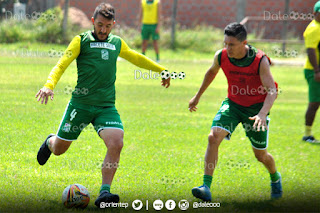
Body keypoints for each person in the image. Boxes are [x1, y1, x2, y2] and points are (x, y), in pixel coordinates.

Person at [35, 3, 170, 208]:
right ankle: (50, 142)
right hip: (80, 105)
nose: (103, 30)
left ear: (113, 25)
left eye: (107, 26)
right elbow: (61, 64)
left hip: (106, 106)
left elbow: (136, 57)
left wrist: (161, 70)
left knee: (116, 142)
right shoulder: (81, 40)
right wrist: (48, 85)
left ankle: (104, 193)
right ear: (92, 22)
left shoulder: (116, 43)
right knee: (60, 149)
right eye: (99, 25)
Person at [188, 23, 282, 201]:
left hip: (255, 111)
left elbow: (272, 90)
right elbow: (211, 72)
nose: (227, 48)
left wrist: (262, 114)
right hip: (232, 104)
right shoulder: (221, 56)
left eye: (231, 44)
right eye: (225, 43)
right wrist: (197, 96)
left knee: (261, 155)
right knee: (213, 137)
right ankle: (205, 187)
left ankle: (275, 178)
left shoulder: (259, 60)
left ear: (244, 43)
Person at [302, 1, 320, 143]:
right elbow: (311, 50)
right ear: (314, 13)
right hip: (314, 70)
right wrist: (317, 70)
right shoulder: (314, 28)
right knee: (314, 103)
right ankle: (307, 134)